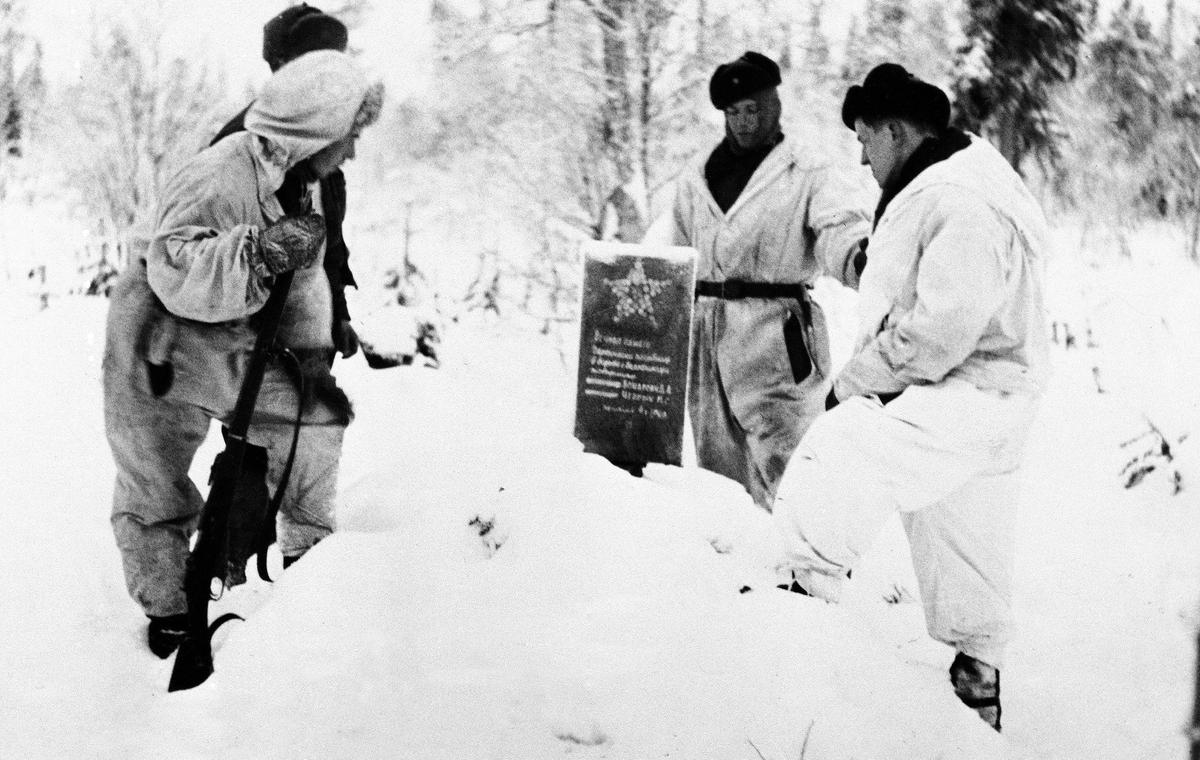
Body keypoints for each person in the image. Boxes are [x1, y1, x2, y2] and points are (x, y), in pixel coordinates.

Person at [770, 63, 1050, 732]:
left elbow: (943, 328)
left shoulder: (960, 198)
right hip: (990, 392)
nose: (861, 157)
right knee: (963, 534)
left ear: (897, 131)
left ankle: (796, 606)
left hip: (964, 391)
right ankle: (976, 690)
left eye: (865, 139)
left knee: (841, 449)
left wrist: (856, 380)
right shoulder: (960, 178)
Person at [103, 49, 383, 659]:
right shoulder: (222, 172)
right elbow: (174, 267)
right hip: (157, 343)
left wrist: (312, 362)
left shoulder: (299, 184)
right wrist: (255, 254)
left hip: (228, 338)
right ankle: (169, 611)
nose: (353, 152)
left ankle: (310, 557)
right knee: (154, 484)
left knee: (314, 420)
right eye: (348, 137)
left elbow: (304, 287)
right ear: (315, 131)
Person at [670, 51, 871, 510]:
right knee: (718, 476)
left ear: (774, 105)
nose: (743, 122)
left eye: (752, 109)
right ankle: (734, 577)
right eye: (733, 112)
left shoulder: (805, 170)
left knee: (790, 468)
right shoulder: (698, 175)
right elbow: (675, 252)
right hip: (707, 336)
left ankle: (799, 574)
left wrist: (863, 260)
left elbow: (837, 230)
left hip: (777, 338)